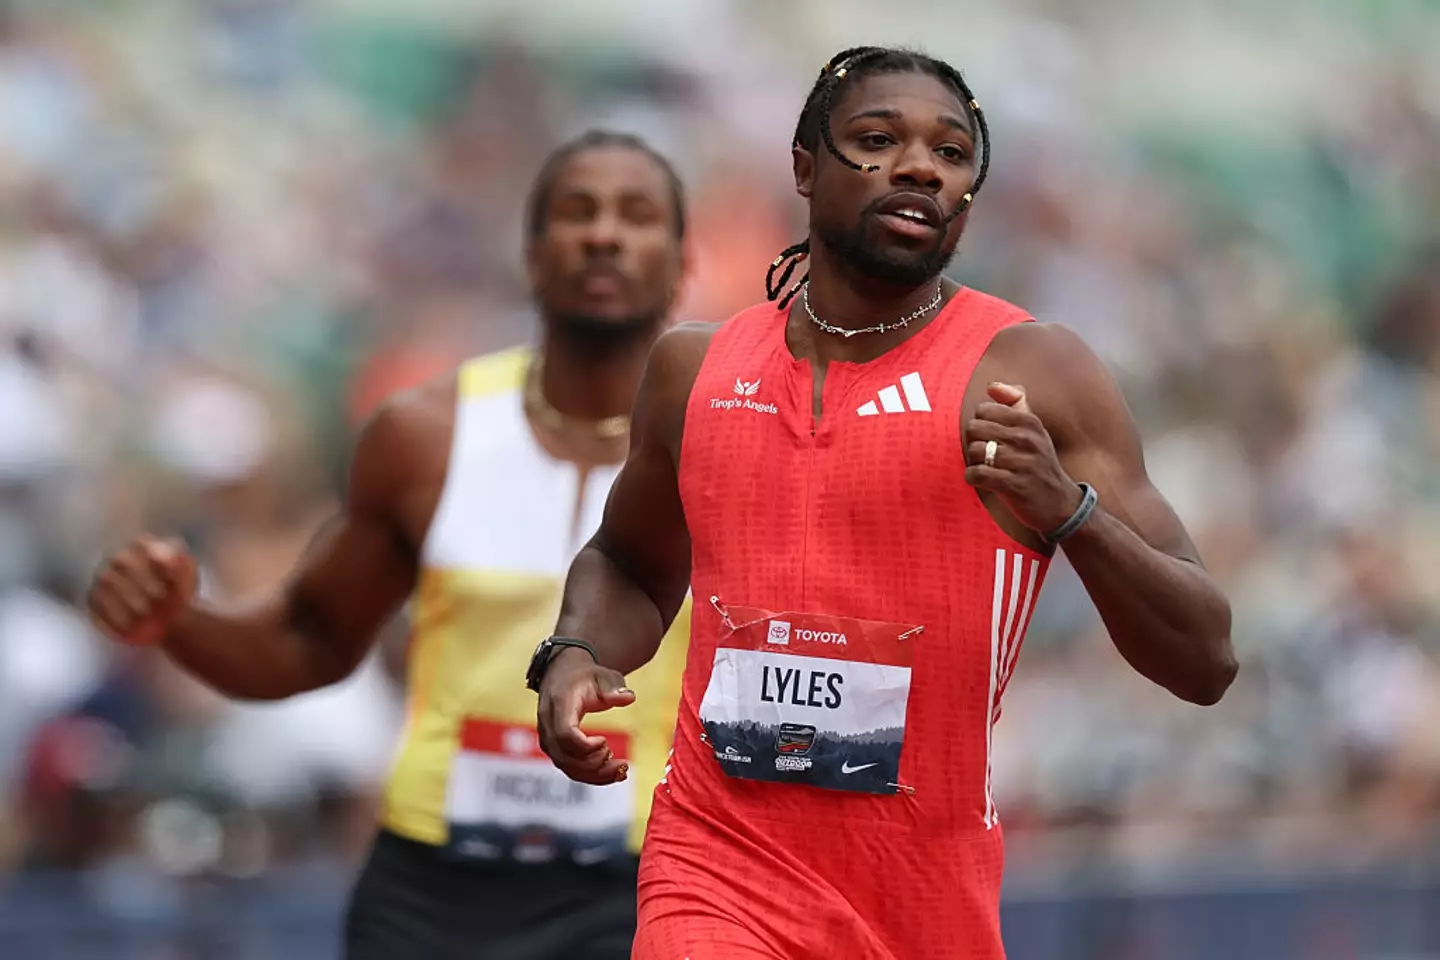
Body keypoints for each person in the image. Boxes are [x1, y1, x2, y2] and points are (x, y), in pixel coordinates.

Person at [531, 48, 1238, 959]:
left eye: (951, 153)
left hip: (922, 905)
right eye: (877, 140)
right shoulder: (695, 371)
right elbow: (629, 561)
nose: (919, 168)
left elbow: (1205, 659)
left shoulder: (1030, 372)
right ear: (804, 167)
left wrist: (1069, 510)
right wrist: (575, 651)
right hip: (715, 868)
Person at [85, 129, 694, 960]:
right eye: (577, 212)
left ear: (682, 259)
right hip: (435, 888)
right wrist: (178, 622)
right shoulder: (425, 438)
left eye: (637, 215)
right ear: (530, 252)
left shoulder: (728, 444)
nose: (605, 235)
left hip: (639, 883)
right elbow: (308, 640)